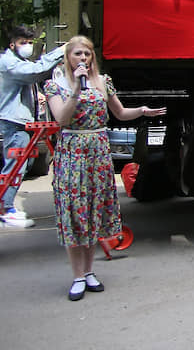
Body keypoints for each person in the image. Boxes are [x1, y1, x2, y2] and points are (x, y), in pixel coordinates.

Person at [44, 36, 166, 301]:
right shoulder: (56, 85)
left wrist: (143, 111)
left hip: (98, 152)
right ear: (68, 57)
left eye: (87, 54)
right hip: (73, 152)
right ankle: (77, 276)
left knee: (93, 211)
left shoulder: (103, 81)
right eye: (78, 54)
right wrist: (77, 87)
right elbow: (61, 119)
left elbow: (120, 113)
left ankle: (89, 271)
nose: (83, 59)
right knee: (76, 213)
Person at [0, 25, 64, 227]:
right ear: (12, 44)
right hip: (14, 123)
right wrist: (60, 52)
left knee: (20, 165)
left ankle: (6, 206)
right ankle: (5, 207)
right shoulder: (10, 63)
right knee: (14, 167)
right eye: (23, 43)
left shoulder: (18, 61)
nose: (27, 46)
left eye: (29, 42)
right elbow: (35, 71)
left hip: (20, 121)